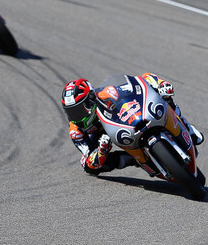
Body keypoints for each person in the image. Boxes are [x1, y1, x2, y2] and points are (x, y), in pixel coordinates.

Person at [61, 74, 204, 175]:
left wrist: (160, 85)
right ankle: (134, 159)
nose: (75, 116)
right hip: (102, 137)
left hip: (120, 122)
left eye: (79, 110)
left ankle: (187, 127)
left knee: (163, 97)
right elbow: (88, 158)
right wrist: (101, 151)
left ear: (90, 100)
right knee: (89, 168)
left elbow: (140, 81)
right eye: (71, 112)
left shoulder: (106, 94)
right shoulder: (76, 130)